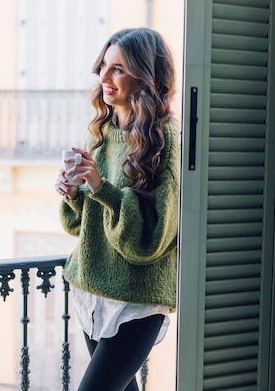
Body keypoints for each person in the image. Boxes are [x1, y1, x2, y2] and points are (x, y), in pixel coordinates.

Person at [54, 27, 179, 391]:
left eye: (118, 69)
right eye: (104, 67)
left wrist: (99, 187)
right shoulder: (100, 132)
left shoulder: (165, 138)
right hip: (91, 289)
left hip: (136, 301)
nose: (104, 78)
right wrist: (73, 193)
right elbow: (79, 225)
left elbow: (154, 237)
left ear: (145, 75)